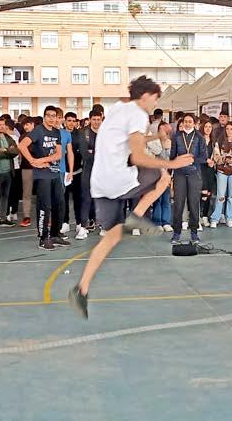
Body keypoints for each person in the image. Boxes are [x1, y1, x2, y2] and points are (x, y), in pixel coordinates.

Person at [68, 77, 191, 319]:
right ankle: (137, 216)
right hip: (118, 179)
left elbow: (131, 140)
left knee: (111, 237)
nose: (154, 103)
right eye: (154, 98)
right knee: (163, 175)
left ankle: (81, 289)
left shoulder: (117, 109)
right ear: (145, 96)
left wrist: (155, 137)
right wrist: (172, 162)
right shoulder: (137, 114)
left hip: (100, 183)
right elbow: (137, 157)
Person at [17, 109, 66, 250]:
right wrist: (32, 160)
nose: (51, 118)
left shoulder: (56, 132)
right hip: (42, 175)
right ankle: (43, 238)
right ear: (44, 117)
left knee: (59, 204)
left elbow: (58, 155)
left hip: (54, 173)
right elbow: (22, 145)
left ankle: (55, 235)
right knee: (45, 206)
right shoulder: (38, 130)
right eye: (48, 116)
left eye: (54, 116)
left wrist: (42, 160)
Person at [169, 113, 208, 243]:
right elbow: (172, 156)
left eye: (190, 121)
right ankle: (176, 233)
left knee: (194, 203)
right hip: (179, 173)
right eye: (185, 121)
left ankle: (194, 233)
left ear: (194, 123)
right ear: (182, 123)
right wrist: (169, 173)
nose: (187, 123)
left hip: (194, 174)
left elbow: (204, 157)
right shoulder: (176, 136)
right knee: (178, 204)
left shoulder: (199, 137)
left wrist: (192, 160)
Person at [74, 110, 101, 239]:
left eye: (98, 119)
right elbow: (85, 154)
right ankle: (83, 228)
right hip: (88, 170)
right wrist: (98, 153)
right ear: (90, 120)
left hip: (104, 171)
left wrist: (93, 151)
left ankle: (104, 226)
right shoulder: (83, 133)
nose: (96, 122)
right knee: (86, 198)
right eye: (94, 119)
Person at [209, 123, 232, 228]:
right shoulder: (219, 142)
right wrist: (224, 159)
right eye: (227, 129)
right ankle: (215, 218)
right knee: (221, 196)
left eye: (231, 129)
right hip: (222, 171)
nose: (229, 131)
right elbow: (216, 157)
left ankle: (230, 218)